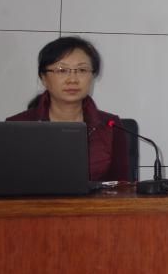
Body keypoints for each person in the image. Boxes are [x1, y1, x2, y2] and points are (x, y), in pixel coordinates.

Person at [7, 36, 129, 182]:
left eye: (82, 70)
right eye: (62, 70)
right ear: (43, 78)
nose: (72, 80)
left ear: (92, 76)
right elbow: (7, 185)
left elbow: (122, 187)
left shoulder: (110, 125)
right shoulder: (16, 125)